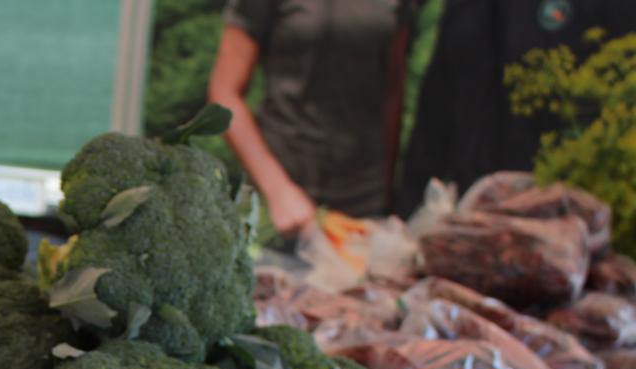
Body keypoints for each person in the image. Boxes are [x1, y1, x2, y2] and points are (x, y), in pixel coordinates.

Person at [398, 0, 636, 216]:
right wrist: (410, 209)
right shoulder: (466, 7)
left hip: (569, 217)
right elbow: (435, 109)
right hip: (475, 215)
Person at [208, 0, 416, 235]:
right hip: (280, 193)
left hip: (364, 196)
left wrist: (386, 188)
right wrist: (277, 190)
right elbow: (224, 93)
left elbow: (393, 88)